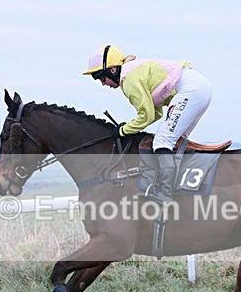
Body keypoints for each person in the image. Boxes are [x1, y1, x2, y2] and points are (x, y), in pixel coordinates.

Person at [83, 44, 212, 203]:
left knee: (162, 141)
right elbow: (156, 114)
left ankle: (165, 193)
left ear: (113, 70)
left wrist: (123, 130)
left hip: (190, 90)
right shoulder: (131, 72)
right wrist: (128, 127)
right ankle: (178, 186)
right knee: (176, 140)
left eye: (101, 77)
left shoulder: (128, 79)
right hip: (198, 88)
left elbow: (147, 115)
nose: (103, 83)